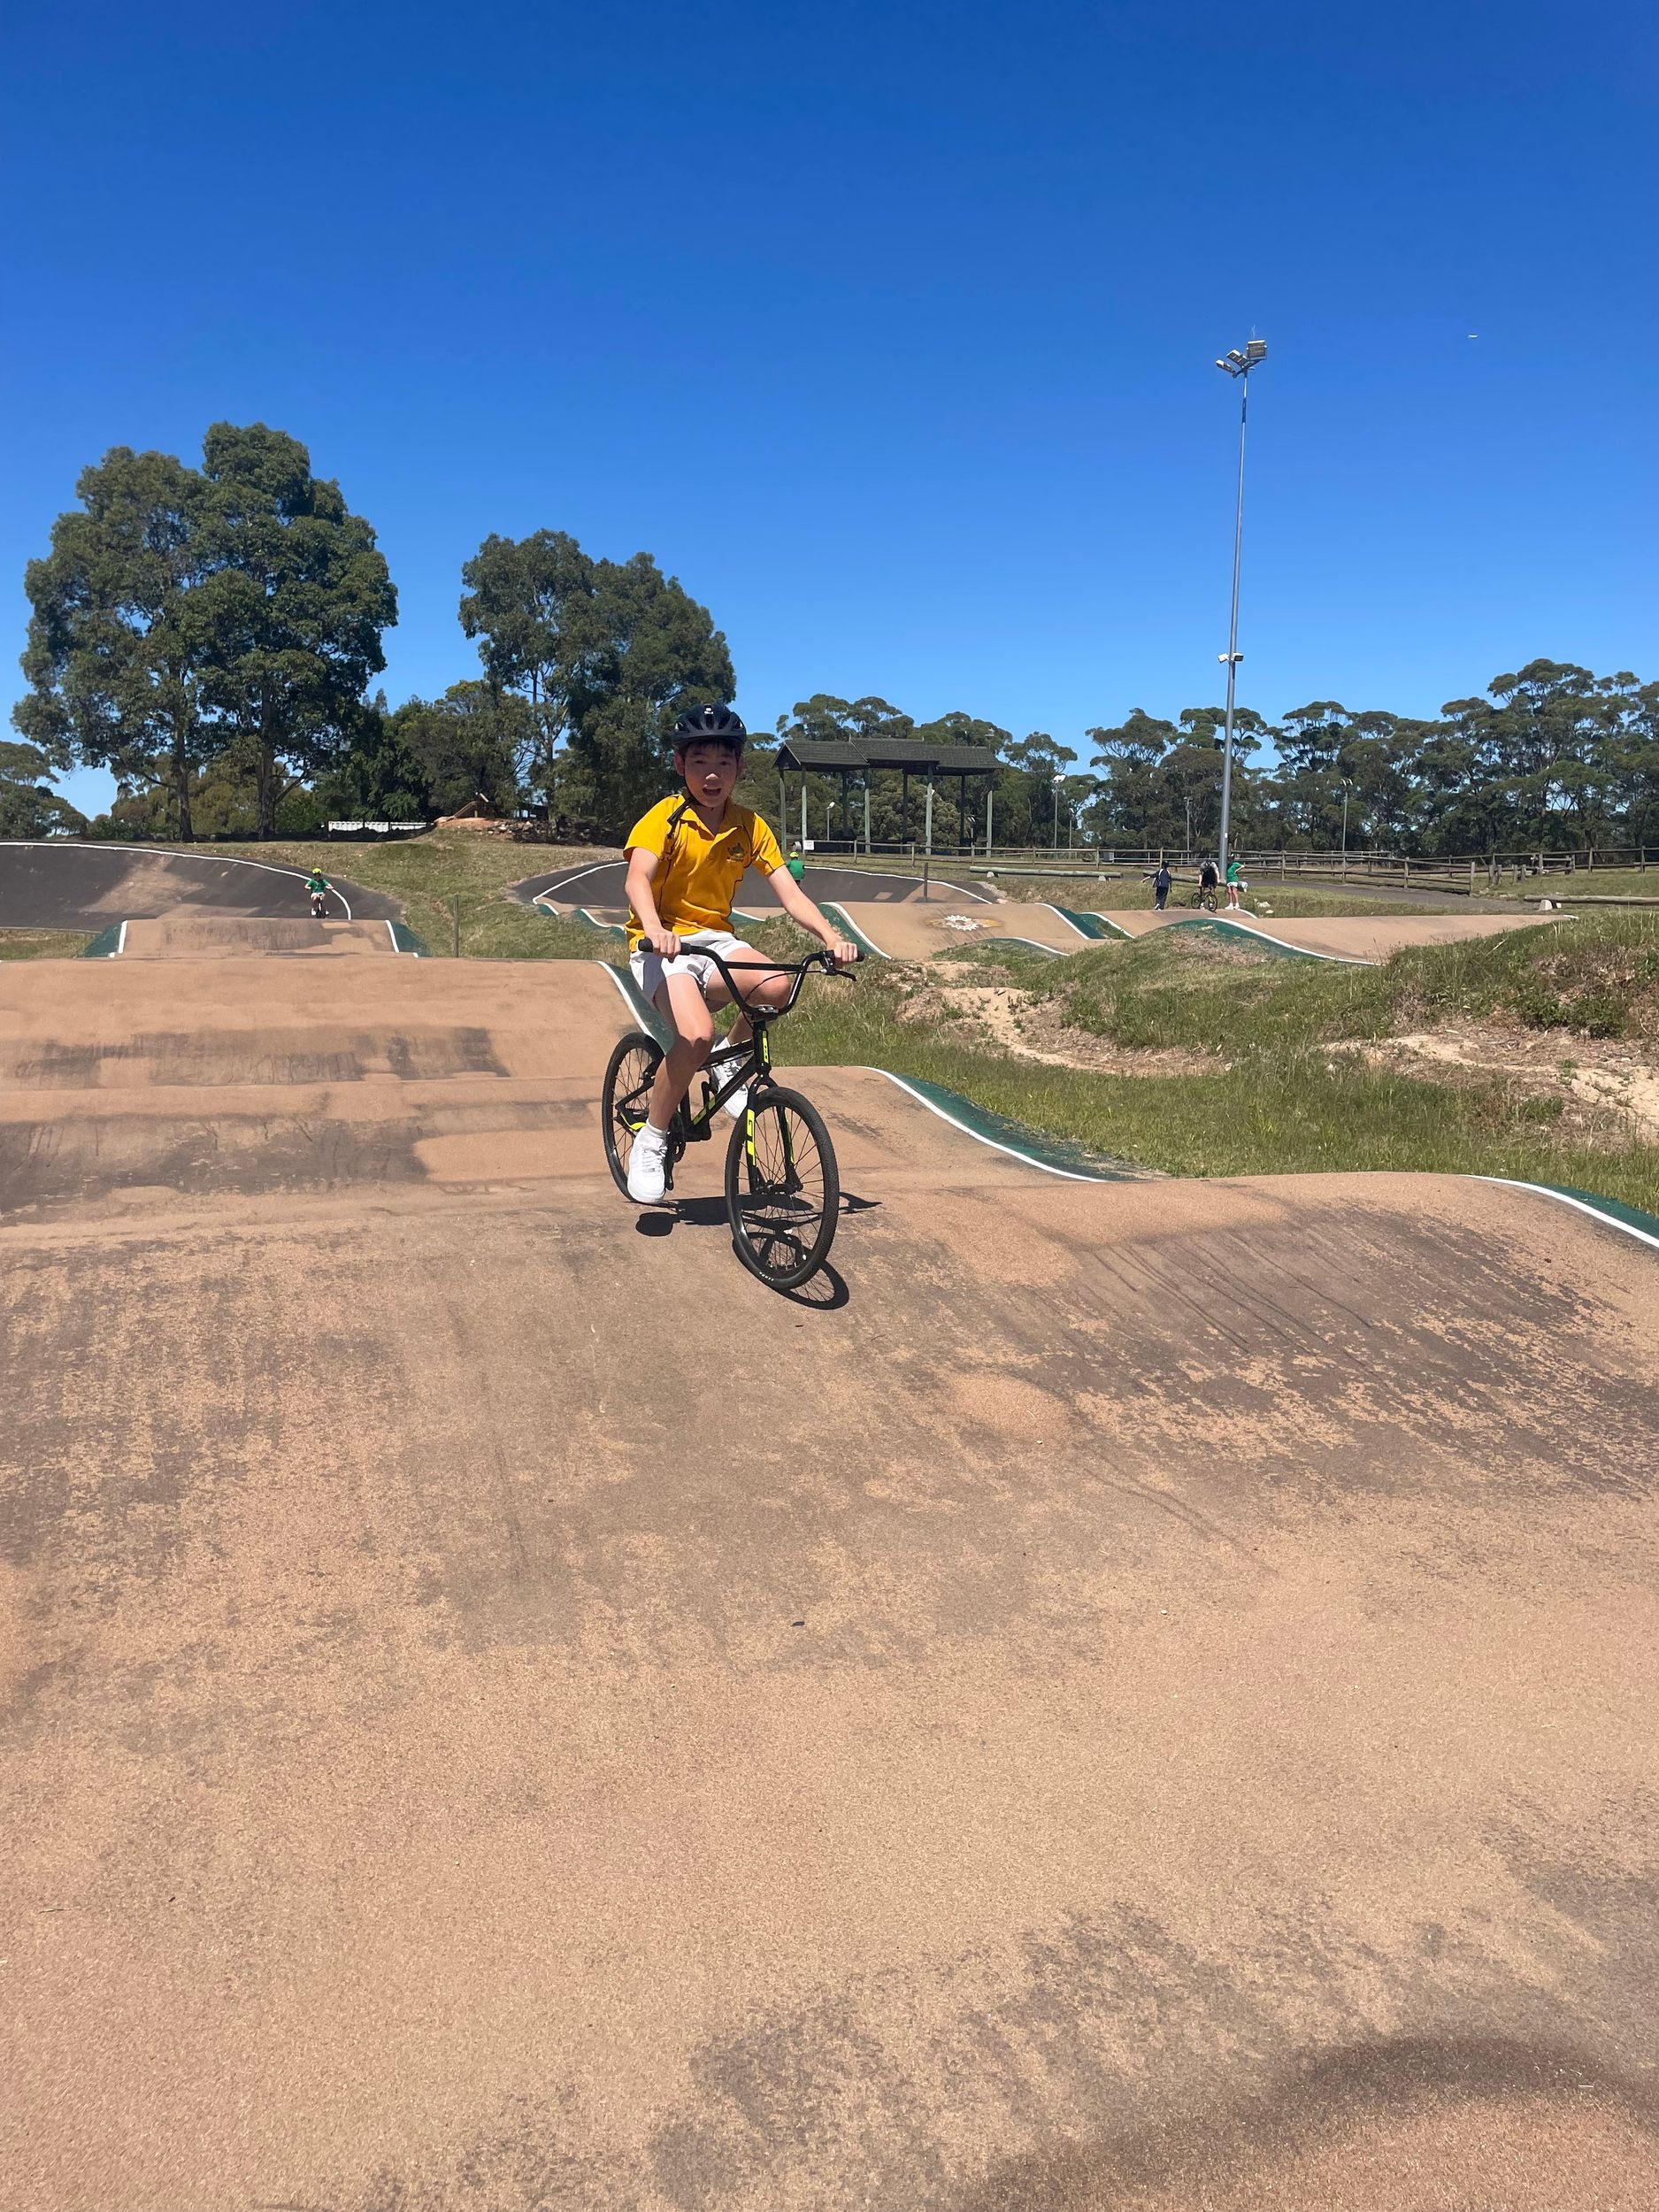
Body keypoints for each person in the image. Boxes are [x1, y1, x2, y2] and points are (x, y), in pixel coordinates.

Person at [622, 704, 859, 1204]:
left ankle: (728, 1062)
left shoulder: (749, 826)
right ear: (680, 765)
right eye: (700, 762)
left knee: (778, 986)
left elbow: (790, 893)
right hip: (661, 946)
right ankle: (652, 1138)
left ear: (739, 768)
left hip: (714, 941)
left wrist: (830, 937)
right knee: (695, 1036)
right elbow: (637, 878)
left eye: (723, 764)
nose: (712, 775)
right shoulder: (665, 818)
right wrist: (655, 929)